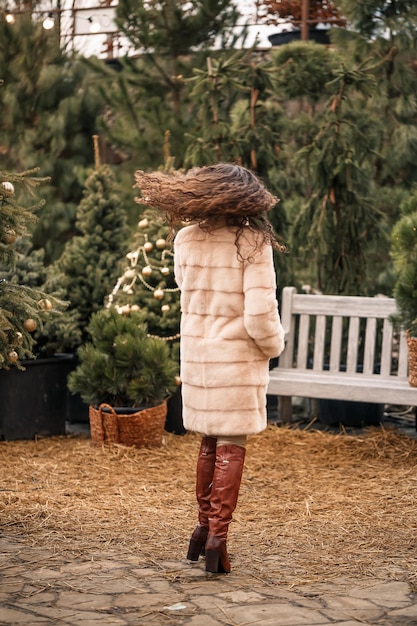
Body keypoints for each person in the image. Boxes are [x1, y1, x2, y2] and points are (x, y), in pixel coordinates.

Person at [134, 163, 286, 574]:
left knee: (208, 442)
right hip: (235, 360)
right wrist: (274, 345)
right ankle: (218, 537)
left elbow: (189, 294)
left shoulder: (186, 239)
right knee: (232, 442)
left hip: (199, 359)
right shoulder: (252, 241)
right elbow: (260, 315)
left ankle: (202, 530)